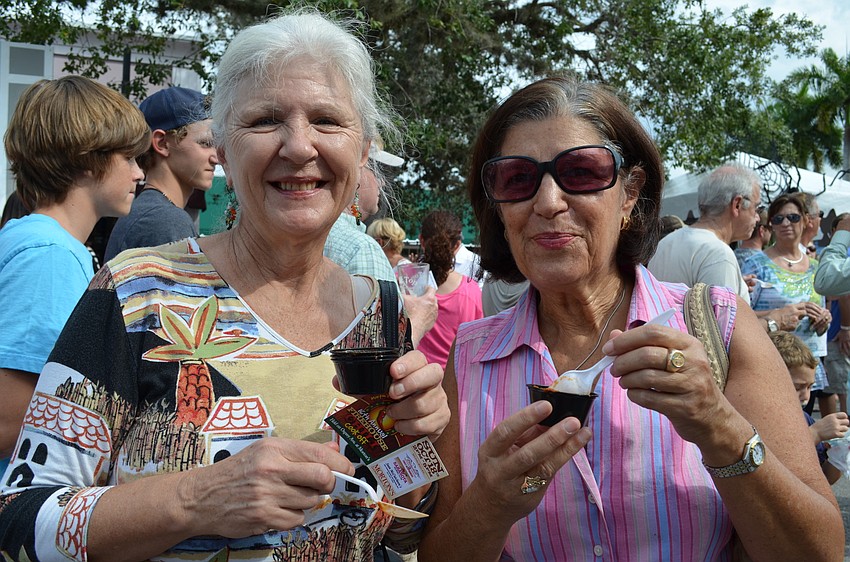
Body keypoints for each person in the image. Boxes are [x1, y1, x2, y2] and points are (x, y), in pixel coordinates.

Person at [0, 11, 449, 562]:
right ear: (225, 156)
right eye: (265, 120)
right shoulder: (138, 290)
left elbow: (402, 532)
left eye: (328, 121)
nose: (299, 146)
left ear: (360, 155)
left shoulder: (381, 311)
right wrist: (198, 499)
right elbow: (20, 519)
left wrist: (415, 451)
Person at [417, 75, 843, 561]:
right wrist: (489, 506)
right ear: (498, 207)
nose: (548, 201)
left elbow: (820, 552)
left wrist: (718, 426)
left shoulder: (719, 327)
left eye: (581, 172)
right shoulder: (471, 358)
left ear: (631, 193)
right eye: (517, 178)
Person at [0, 76, 148, 476]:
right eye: (129, 158)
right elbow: (11, 421)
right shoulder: (50, 257)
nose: (139, 174)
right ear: (86, 158)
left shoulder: (38, 241)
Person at [741, 194, 832, 417]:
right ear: (770, 224)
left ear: (805, 220)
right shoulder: (756, 263)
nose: (785, 224)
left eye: (792, 217)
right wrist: (778, 315)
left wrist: (824, 319)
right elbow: (739, 314)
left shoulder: (815, 266)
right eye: (778, 219)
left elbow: (820, 324)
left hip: (807, 370)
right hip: (772, 363)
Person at [105, 86, 218, 261]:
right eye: (205, 143)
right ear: (163, 143)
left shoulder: (149, 211)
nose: (216, 158)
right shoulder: (165, 220)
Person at [769, 330, 847, 485]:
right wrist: (815, 433)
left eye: (810, 387)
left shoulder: (804, 419)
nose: (806, 396)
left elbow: (823, 479)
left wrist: (839, 453)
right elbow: (766, 463)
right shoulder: (753, 417)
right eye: (797, 387)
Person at [415, 210, 483, 369]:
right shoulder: (471, 292)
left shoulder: (404, 283)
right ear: (457, 245)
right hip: (456, 385)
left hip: (413, 379)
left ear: (421, 241)